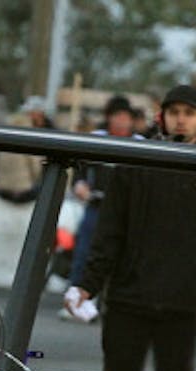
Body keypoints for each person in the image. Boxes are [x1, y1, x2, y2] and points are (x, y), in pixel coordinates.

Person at [64, 85, 196, 371]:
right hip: (128, 299)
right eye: (174, 112)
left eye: (189, 113)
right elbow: (109, 233)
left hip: (182, 306)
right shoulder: (135, 163)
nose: (181, 120)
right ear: (163, 117)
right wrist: (87, 284)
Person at [64, 93, 139, 318]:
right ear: (109, 118)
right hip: (97, 205)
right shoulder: (97, 139)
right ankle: (77, 298)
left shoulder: (139, 145)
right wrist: (79, 184)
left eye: (125, 117)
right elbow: (79, 169)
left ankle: (115, 302)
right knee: (85, 251)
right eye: (117, 116)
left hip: (127, 211)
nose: (121, 122)